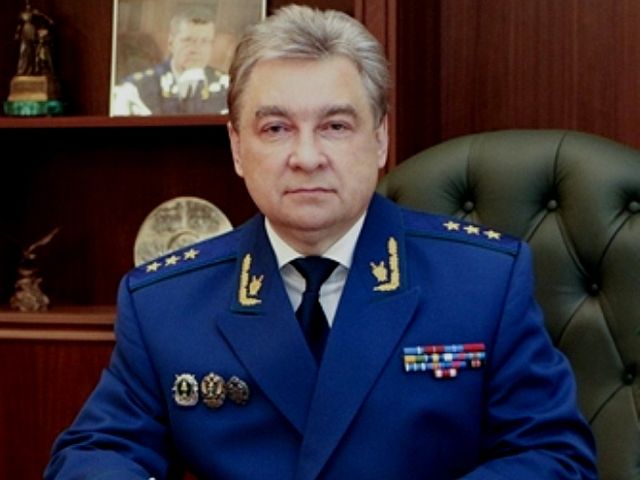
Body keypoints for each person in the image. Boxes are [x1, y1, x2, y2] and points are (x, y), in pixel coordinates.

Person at [45, 5, 597, 479]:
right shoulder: (164, 303)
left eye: (335, 126)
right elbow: (95, 453)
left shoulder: (483, 281)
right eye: (276, 128)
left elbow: (553, 455)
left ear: (379, 138)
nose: (306, 157)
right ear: (237, 147)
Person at [111, 7, 228, 116]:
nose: (196, 49)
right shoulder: (135, 89)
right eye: (188, 40)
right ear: (171, 43)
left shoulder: (228, 88)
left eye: (205, 41)